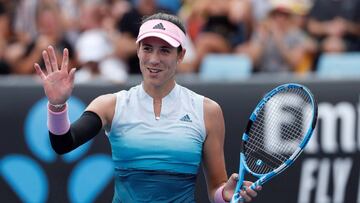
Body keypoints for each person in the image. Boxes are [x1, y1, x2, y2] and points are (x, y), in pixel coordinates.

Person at [34, 12, 260, 202]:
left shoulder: (207, 111)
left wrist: (226, 195)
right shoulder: (110, 105)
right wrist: (57, 105)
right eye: (147, 48)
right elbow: (63, 143)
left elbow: (216, 190)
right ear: (138, 50)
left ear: (181, 55)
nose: (154, 59)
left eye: (165, 50)